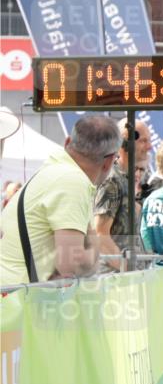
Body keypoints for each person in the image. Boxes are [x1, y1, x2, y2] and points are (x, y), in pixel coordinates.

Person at [0, 115, 116, 284]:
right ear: (109, 161)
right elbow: (70, 265)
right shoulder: (72, 180)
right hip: (18, 301)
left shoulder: (54, 170)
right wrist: (94, 251)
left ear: (67, 142)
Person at [93, 119, 152, 272]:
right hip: (114, 281)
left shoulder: (125, 179)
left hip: (125, 281)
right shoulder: (112, 180)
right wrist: (127, 270)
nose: (149, 147)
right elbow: (100, 234)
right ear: (125, 144)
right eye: (143, 141)